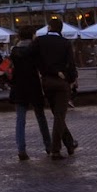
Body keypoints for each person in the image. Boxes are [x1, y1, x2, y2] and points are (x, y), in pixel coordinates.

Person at [31, 20, 79, 159]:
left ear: (49, 27)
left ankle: (70, 143)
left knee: (57, 114)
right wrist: (70, 79)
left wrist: (45, 70)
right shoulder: (65, 43)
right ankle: (56, 149)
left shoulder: (40, 41)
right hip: (61, 82)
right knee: (59, 116)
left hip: (46, 81)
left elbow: (33, 58)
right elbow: (71, 64)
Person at [8, 26, 52, 160]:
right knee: (41, 117)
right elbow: (42, 67)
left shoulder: (14, 51)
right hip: (33, 85)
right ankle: (48, 145)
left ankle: (21, 149)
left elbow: (8, 67)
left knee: (20, 119)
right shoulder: (34, 51)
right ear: (32, 35)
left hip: (19, 86)